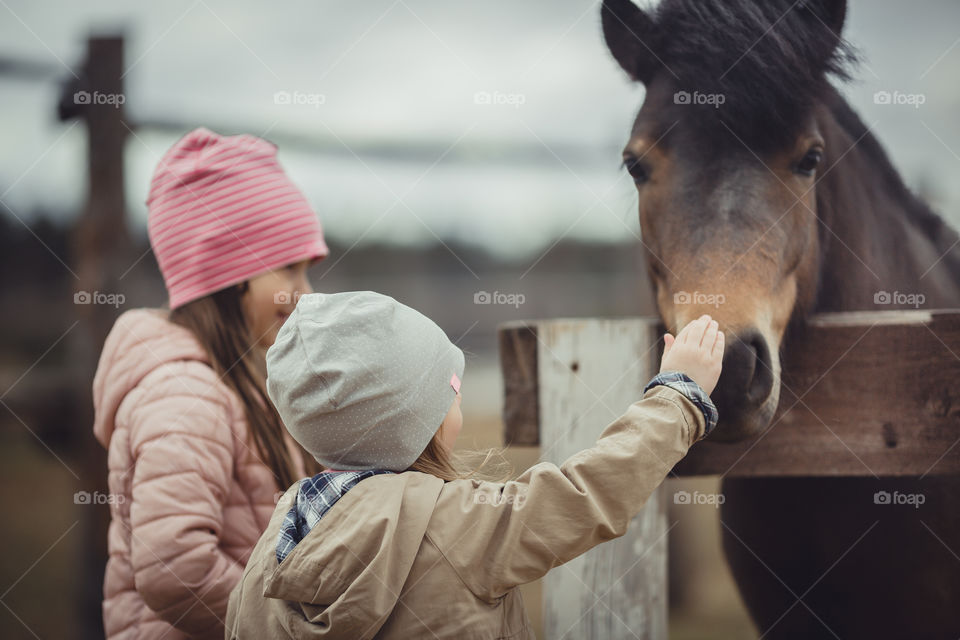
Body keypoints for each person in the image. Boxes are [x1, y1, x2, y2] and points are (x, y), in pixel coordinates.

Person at [226, 290, 723, 639]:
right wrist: (678, 397)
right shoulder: (459, 526)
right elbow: (586, 494)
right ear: (419, 423)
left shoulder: (271, 553)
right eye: (452, 390)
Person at [92, 127, 330, 639]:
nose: (304, 294)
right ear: (227, 273)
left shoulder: (250, 382)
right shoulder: (184, 395)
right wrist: (296, 625)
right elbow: (176, 569)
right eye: (289, 269)